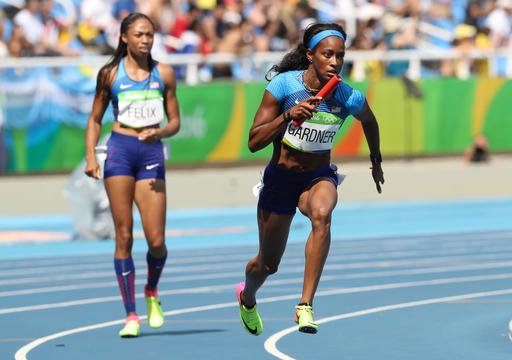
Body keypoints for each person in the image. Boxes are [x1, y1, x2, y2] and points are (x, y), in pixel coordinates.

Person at [236, 22, 384, 335]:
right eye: (327, 55)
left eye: (340, 56)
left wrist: (375, 160)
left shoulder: (347, 97)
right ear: (310, 55)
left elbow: (370, 122)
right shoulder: (284, 87)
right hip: (280, 181)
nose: (335, 62)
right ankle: (247, 295)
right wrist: (287, 116)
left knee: (322, 214)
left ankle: (305, 305)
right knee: (267, 265)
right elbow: (253, 142)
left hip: (317, 177)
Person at [84, 12, 180, 338]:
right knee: (123, 236)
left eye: (150, 35)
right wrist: (90, 157)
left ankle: (151, 290)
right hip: (120, 152)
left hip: (151, 153)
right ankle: (130, 315)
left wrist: (160, 132)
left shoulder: (163, 73)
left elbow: (175, 122)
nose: (145, 40)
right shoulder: (110, 74)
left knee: (157, 241)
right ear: (124, 37)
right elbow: (95, 119)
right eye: (139, 34)